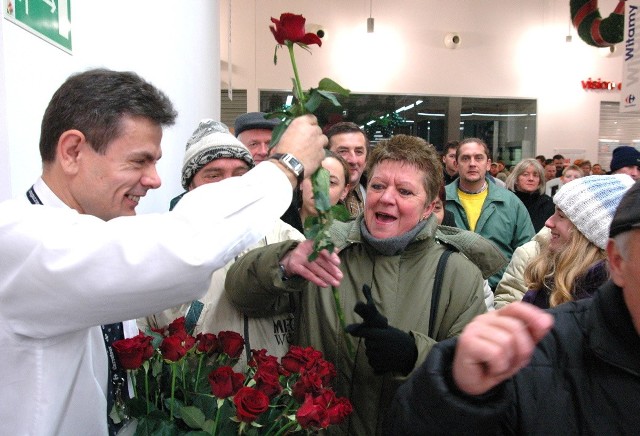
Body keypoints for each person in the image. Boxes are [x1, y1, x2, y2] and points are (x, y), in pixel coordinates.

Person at [0, 68, 326, 435]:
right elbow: (181, 247)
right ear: (73, 151)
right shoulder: (19, 240)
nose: (155, 179)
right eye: (139, 161)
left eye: (155, 162)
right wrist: (285, 168)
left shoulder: (95, 235)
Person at [225, 134, 506, 435]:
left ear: (429, 207)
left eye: (405, 191)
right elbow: (242, 295)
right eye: (378, 186)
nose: (386, 198)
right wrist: (283, 264)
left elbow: (478, 374)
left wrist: (415, 355)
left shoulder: (456, 273)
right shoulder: (325, 249)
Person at [386, 180, 640, 435]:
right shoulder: (543, 339)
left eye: (561, 217)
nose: (548, 223)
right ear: (617, 261)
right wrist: (458, 387)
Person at [140, 120, 305, 367]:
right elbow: (144, 330)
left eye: (240, 175)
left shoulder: (286, 238)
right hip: (198, 395)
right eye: (214, 175)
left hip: (275, 395)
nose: (230, 185)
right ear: (190, 186)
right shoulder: (163, 248)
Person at [521, 174, 633, 309]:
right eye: (554, 212)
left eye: (561, 216)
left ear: (589, 234)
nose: (548, 222)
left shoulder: (600, 303)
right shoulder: (549, 273)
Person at [445, 137, 535, 289]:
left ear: (487, 164)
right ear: (456, 164)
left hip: (499, 292)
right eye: (465, 158)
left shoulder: (510, 203)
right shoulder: (440, 201)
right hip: (451, 291)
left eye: (478, 158)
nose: (472, 163)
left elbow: (528, 252)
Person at [235, 111, 304, 232]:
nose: (263, 151)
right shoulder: (230, 186)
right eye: (253, 144)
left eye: (269, 143)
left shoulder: (291, 188)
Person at [326, 121, 369, 219]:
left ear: (367, 159)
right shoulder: (310, 197)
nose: (353, 160)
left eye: (359, 151)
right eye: (343, 151)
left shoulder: (377, 196)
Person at [299, 149, 350, 225]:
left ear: (344, 191)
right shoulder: (276, 223)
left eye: (331, 182)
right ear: (301, 182)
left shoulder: (351, 234)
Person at [504, 158, 555, 232]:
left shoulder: (547, 203)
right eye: (525, 175)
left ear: (540, 180)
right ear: (516, 179)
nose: (531, 179)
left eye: (535, 175)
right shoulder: (506, 201)